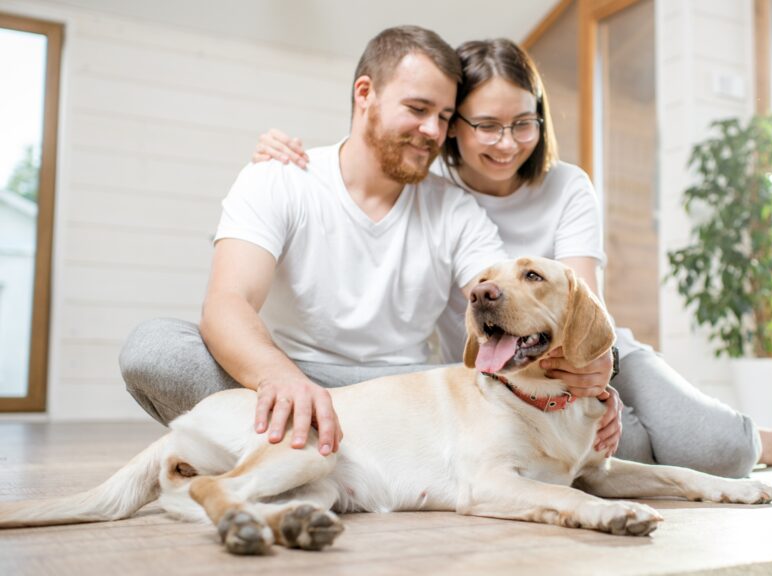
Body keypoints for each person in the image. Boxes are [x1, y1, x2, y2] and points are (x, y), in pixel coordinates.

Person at [252, 39, 772, 476]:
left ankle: (747, 436)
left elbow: (583, 302)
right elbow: (369, 156)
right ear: (453, 126)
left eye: (523, 123)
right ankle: (662, 439)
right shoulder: (429, 187)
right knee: (599, 458)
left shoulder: (567, 187)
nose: (507, 144)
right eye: (485, 124)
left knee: (717, 451)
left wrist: (598, 383)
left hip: (590, 348)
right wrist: (282, 154)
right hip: (504, 370)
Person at [120, 26, 617, 463]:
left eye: (444, 116)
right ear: (365, 94)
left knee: (577, 433)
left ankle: (309, 454)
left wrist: (577, 381)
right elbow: (228, 303)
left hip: (410, 394)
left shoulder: (455, 207)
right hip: (301, 378)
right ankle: (322, 444)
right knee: (156, 348)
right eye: (418, 109)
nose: (432, 131)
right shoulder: (280, 178)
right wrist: (282, 380)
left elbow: (503, 298)